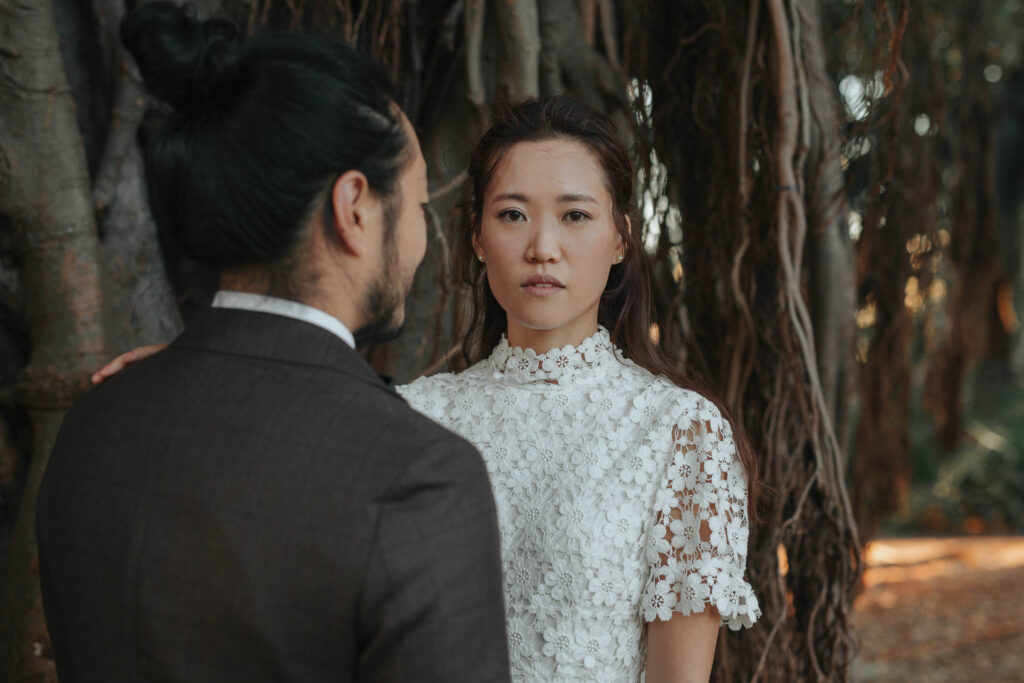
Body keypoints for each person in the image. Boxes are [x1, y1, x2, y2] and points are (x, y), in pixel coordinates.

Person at [95, 95, 761, 680]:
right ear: (477, 237)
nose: (543, 246)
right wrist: (200, 368)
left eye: (576, 216)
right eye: (513, 215)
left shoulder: (681, 432)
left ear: (621, 238)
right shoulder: (413, 410)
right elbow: (273, 443)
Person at [35, 3, 510, 682]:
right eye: (418, 205)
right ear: (354, 208)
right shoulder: (418, 477)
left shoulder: (96, 419)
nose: (421, 242)